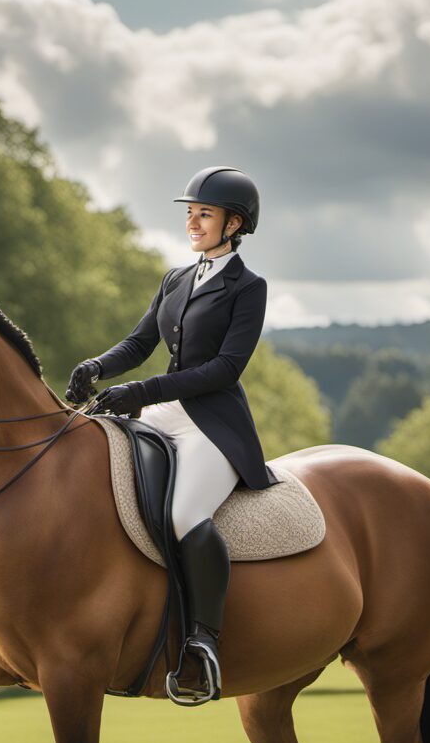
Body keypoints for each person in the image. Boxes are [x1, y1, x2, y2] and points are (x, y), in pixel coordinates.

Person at [65, 165, 282, 705]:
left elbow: (225, 370)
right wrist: (97, 366)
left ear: (235, 224)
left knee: (186, 515)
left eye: (204, 214)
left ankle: (204, 639)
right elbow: (138, 344)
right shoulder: (176, 279)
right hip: (163, 414)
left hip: (213, 424)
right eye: (190, 213)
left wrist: (140, 393)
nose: (193, 222)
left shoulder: (248, 288)